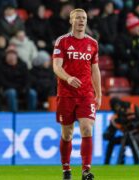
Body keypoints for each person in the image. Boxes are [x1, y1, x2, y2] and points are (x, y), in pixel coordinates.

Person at [52, 8, 102, 180]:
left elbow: (95, 70)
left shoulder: (93, 43)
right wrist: (68, 78)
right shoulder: (62, 41)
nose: (82, 21)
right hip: (66, 93)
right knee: (67, 133)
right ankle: (66, 169)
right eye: (78, 18)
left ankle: (86, 171)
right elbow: (56, 67)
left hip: (86, 94)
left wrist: (99, 94)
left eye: (84, 18)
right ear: (71, 20)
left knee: (87, 128)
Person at [103, 97, 139, 165]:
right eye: (115, 107)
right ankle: (107, 163)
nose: (118, 108)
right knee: (112, 142)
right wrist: (107, 135)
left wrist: (134, 125)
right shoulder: (115, 118)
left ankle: (137, 162)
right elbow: (111, 131)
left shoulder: (132, 108)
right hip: (128, 136)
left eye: (118, 106)